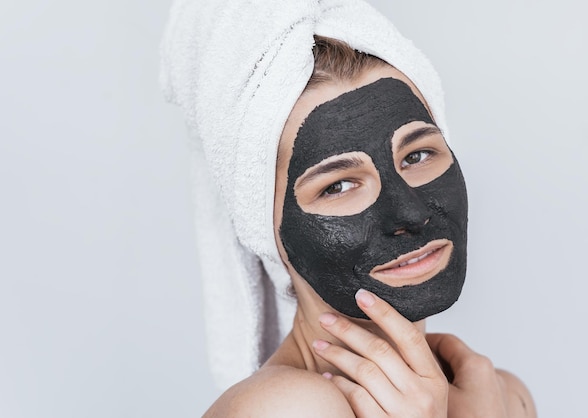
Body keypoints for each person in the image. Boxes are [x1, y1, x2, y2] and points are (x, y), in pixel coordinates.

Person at [160, 1, 536, 416]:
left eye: (417, 155)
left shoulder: (495, 396)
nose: (410, 214)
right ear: (265, 227)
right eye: (338, 185)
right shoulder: (286, 409)